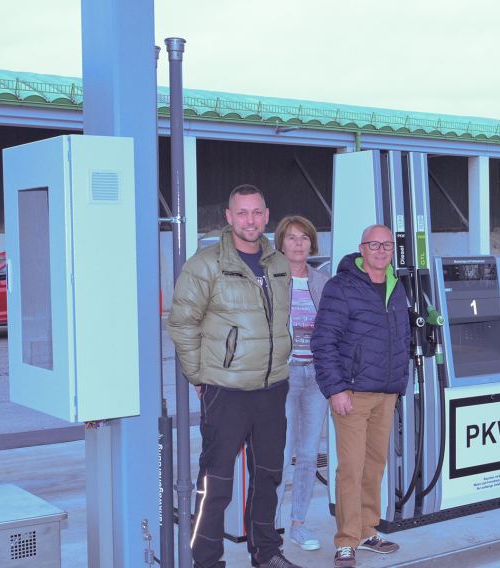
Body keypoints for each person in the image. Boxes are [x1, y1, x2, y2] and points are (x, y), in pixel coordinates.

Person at [168, 184, 300, 568]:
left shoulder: (277, 263)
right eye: (242, 213)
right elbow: (182, 324)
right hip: (225, 392)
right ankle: (206, 561)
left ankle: (267, 553)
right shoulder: (206, 264)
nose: (250, 220)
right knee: (216, 484)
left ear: (266, 214)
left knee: (269, 476)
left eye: (257, 212)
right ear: (228, 217)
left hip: (272, 388)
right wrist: (199, 375)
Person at [311, 224, 408, 568]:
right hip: (352, 394)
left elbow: (401, 338)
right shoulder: (342, 287)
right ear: (362, 249)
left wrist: (399, 383)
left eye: (386, 245)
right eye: (374, 245)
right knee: (350, 469)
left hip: (386, 393)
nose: (381, 250)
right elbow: (323, 342)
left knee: (374, 467)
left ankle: (367, 530)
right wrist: (336, 389)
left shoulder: (397, 287)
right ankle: (346, 540)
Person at [272, 215, 330, 552]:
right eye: (291, 237)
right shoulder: (270, 280)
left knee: (308, 455)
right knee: (279, 454)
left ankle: (299, 524)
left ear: (312, 243)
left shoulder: (324, 281)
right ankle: (270, 526)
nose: (297, 243)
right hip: (284, 376)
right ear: (281, 243)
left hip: (316, 378)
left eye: (304, 237)